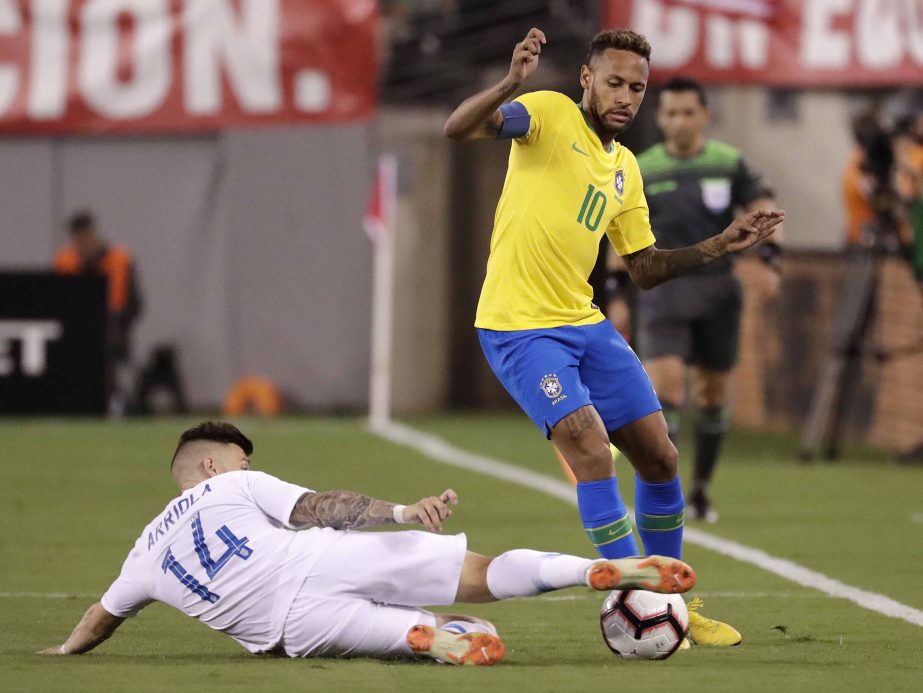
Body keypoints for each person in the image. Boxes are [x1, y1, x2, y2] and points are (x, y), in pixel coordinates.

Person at [443, 27, 783, 646]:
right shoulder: (545, 115)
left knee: (660, 456)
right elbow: (460, 129)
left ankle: (675, 605)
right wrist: (511, 84)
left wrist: (721, 244)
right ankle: (636, 594)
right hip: (520, 328)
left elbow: (645, 268)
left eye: (637, 88)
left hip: (584, 324)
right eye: (615, 82)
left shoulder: (624, 168)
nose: (627, 97)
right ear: (587, 79)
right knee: (589, 444)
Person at [40, 422, 696, 666]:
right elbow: (316, 507)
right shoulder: (230, 488)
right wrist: (401, 510)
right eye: (240, 459)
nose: (245, 467)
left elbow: (100, 619)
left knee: (422, 633)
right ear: (210, 466)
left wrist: (65, 649)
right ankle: (593, 569)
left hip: (289, 626)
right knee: (486, 571)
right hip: (321, 555)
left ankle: (424, 636)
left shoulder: (143, 554)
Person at [605, 76, 785, 523]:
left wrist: (770, 258)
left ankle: (701, 489)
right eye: (669, 113)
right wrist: (615, 293)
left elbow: (762, 202)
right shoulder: (641, 167)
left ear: (703, 115)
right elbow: (619, 231)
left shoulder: (727, 162)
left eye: (688, 112)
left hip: (719, 291)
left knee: (712, 393)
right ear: (659, 118)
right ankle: (664, 487)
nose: (679, 121)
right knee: (663, 389)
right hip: (663, 291)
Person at [53, 210, 143, 415]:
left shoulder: (120, 259)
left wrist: (114, 321)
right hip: (75, 332)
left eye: (87, 237)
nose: (84, 243)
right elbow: (56, 303)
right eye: (79, 239)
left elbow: (135, 304)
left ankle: (113, 400)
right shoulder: (65, 262)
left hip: (112, 331)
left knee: (103, 345)